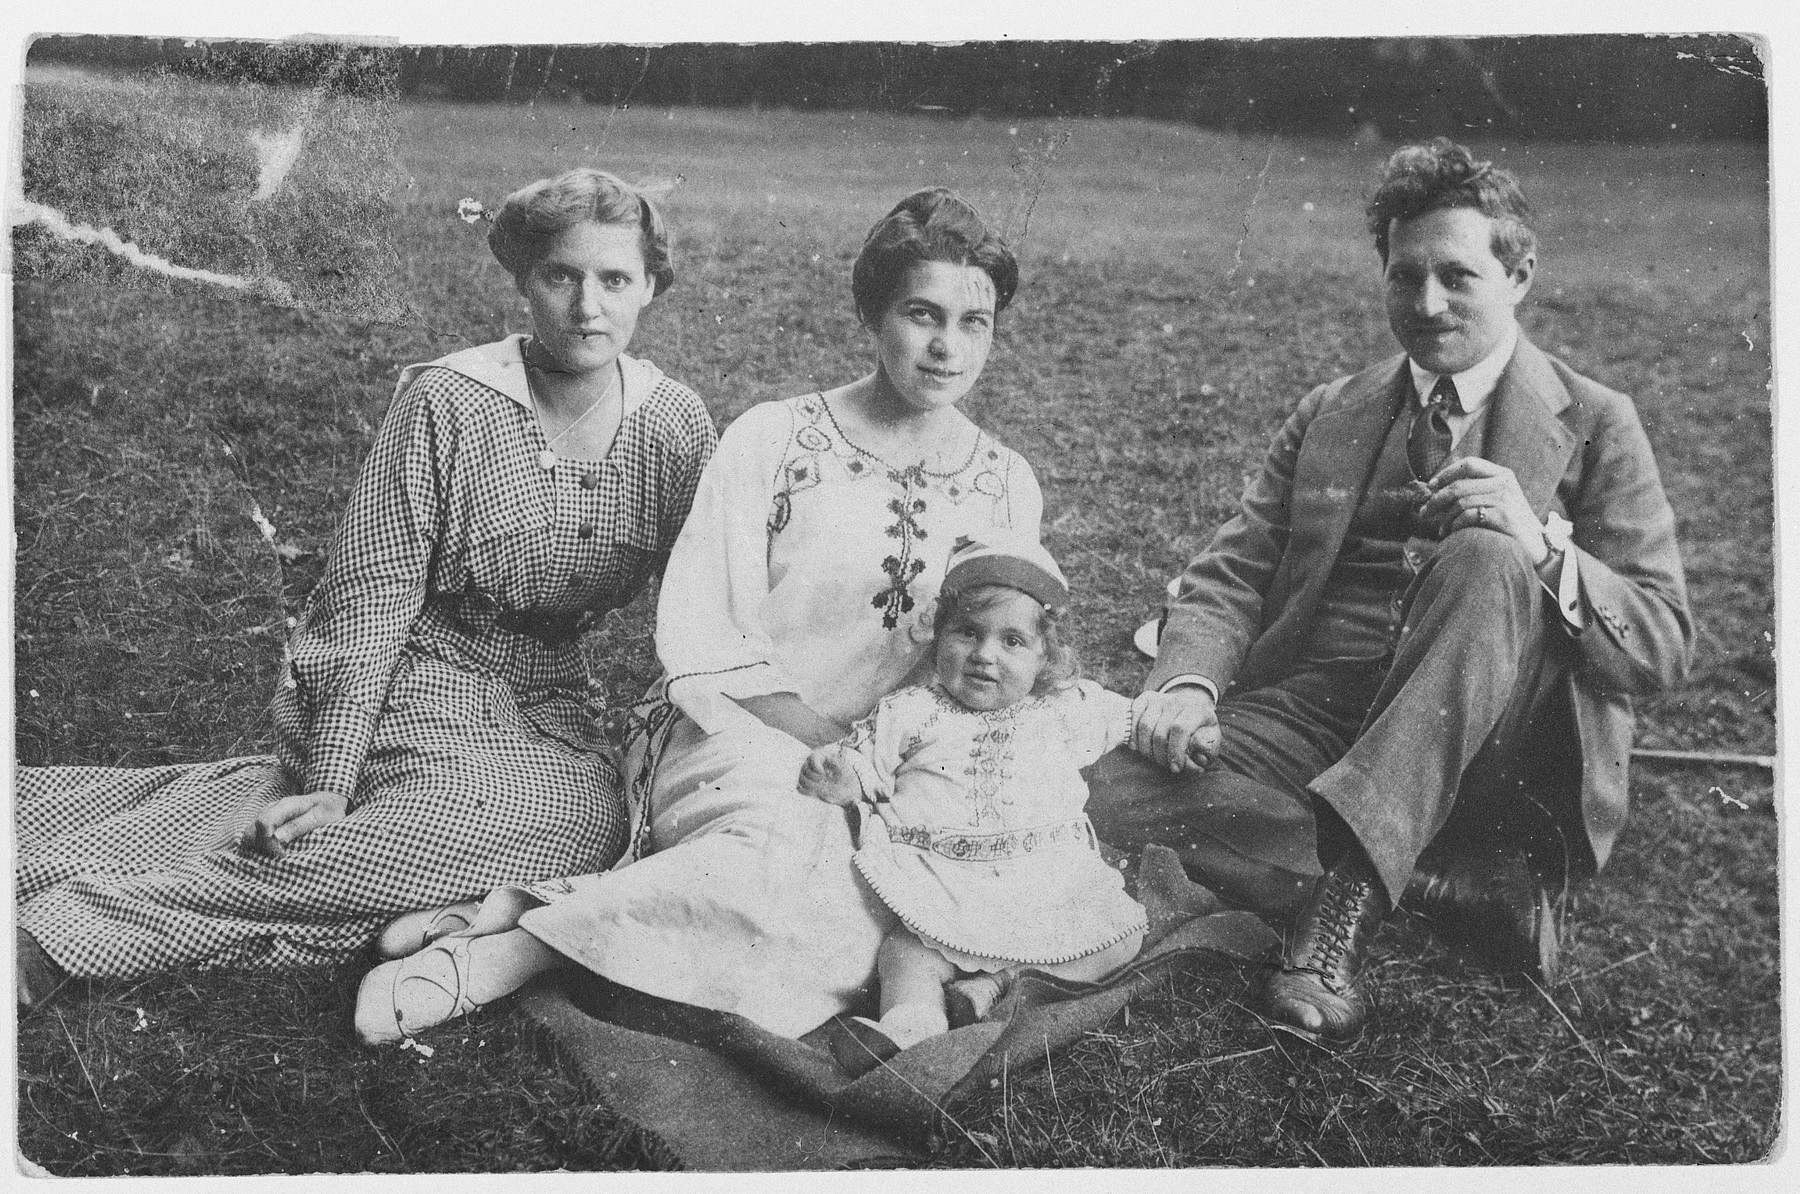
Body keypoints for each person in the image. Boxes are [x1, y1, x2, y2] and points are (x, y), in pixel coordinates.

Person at [354, 186, 1043, 1046]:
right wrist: (823, 741)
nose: (946, 346)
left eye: (972, 322)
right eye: (921, 313)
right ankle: (512, 957)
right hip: (735, 731)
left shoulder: (1005, 482)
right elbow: (706, 637)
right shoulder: (775, 438)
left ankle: (527, 920)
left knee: (865, 892)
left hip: (906, 761)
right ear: (875, 314)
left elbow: (1000, 651)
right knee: (782, 844)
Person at [15, 169, 716, 1006]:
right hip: (415, 675)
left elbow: (714, 600)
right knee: (514, 825)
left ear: (650, 290)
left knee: (582, 821)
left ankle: (412, 890)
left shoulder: (673, 424)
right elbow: (368, 602)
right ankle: (78, 925)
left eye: (614, 280)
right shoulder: (449, 401)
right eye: (560, 276)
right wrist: (332, 779)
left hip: (553, 705)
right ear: (524, 280)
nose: (586, 307)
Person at [1096, 138, 1692, 1041]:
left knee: (1486, 557)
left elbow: (1661, 645)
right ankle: (1427, 881)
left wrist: (1538, 547)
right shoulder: (1332, 409)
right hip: (1315, 706)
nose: (1427, 304)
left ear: (1520, 274)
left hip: (1488, 741)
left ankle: (1344, 903)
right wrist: (1184, 684)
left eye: (1458, 276)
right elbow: (1234, 569)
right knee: (1096, 791)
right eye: (1404, 275)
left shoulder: (1597, 422)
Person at [798, 535, 1154, 1065]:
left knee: (1121, 934)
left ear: (1044, 657)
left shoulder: (1062, 710)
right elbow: (867, 765)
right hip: (944, 881)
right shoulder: (913, 712)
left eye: (1012, 641)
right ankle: (910, 1027)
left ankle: (996, 985)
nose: (985, 655)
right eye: (967, 632)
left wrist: (1176, 724)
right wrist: (841, 777)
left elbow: (1135, 717)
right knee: (907, 952)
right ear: (940, 636)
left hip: (1045, 881)